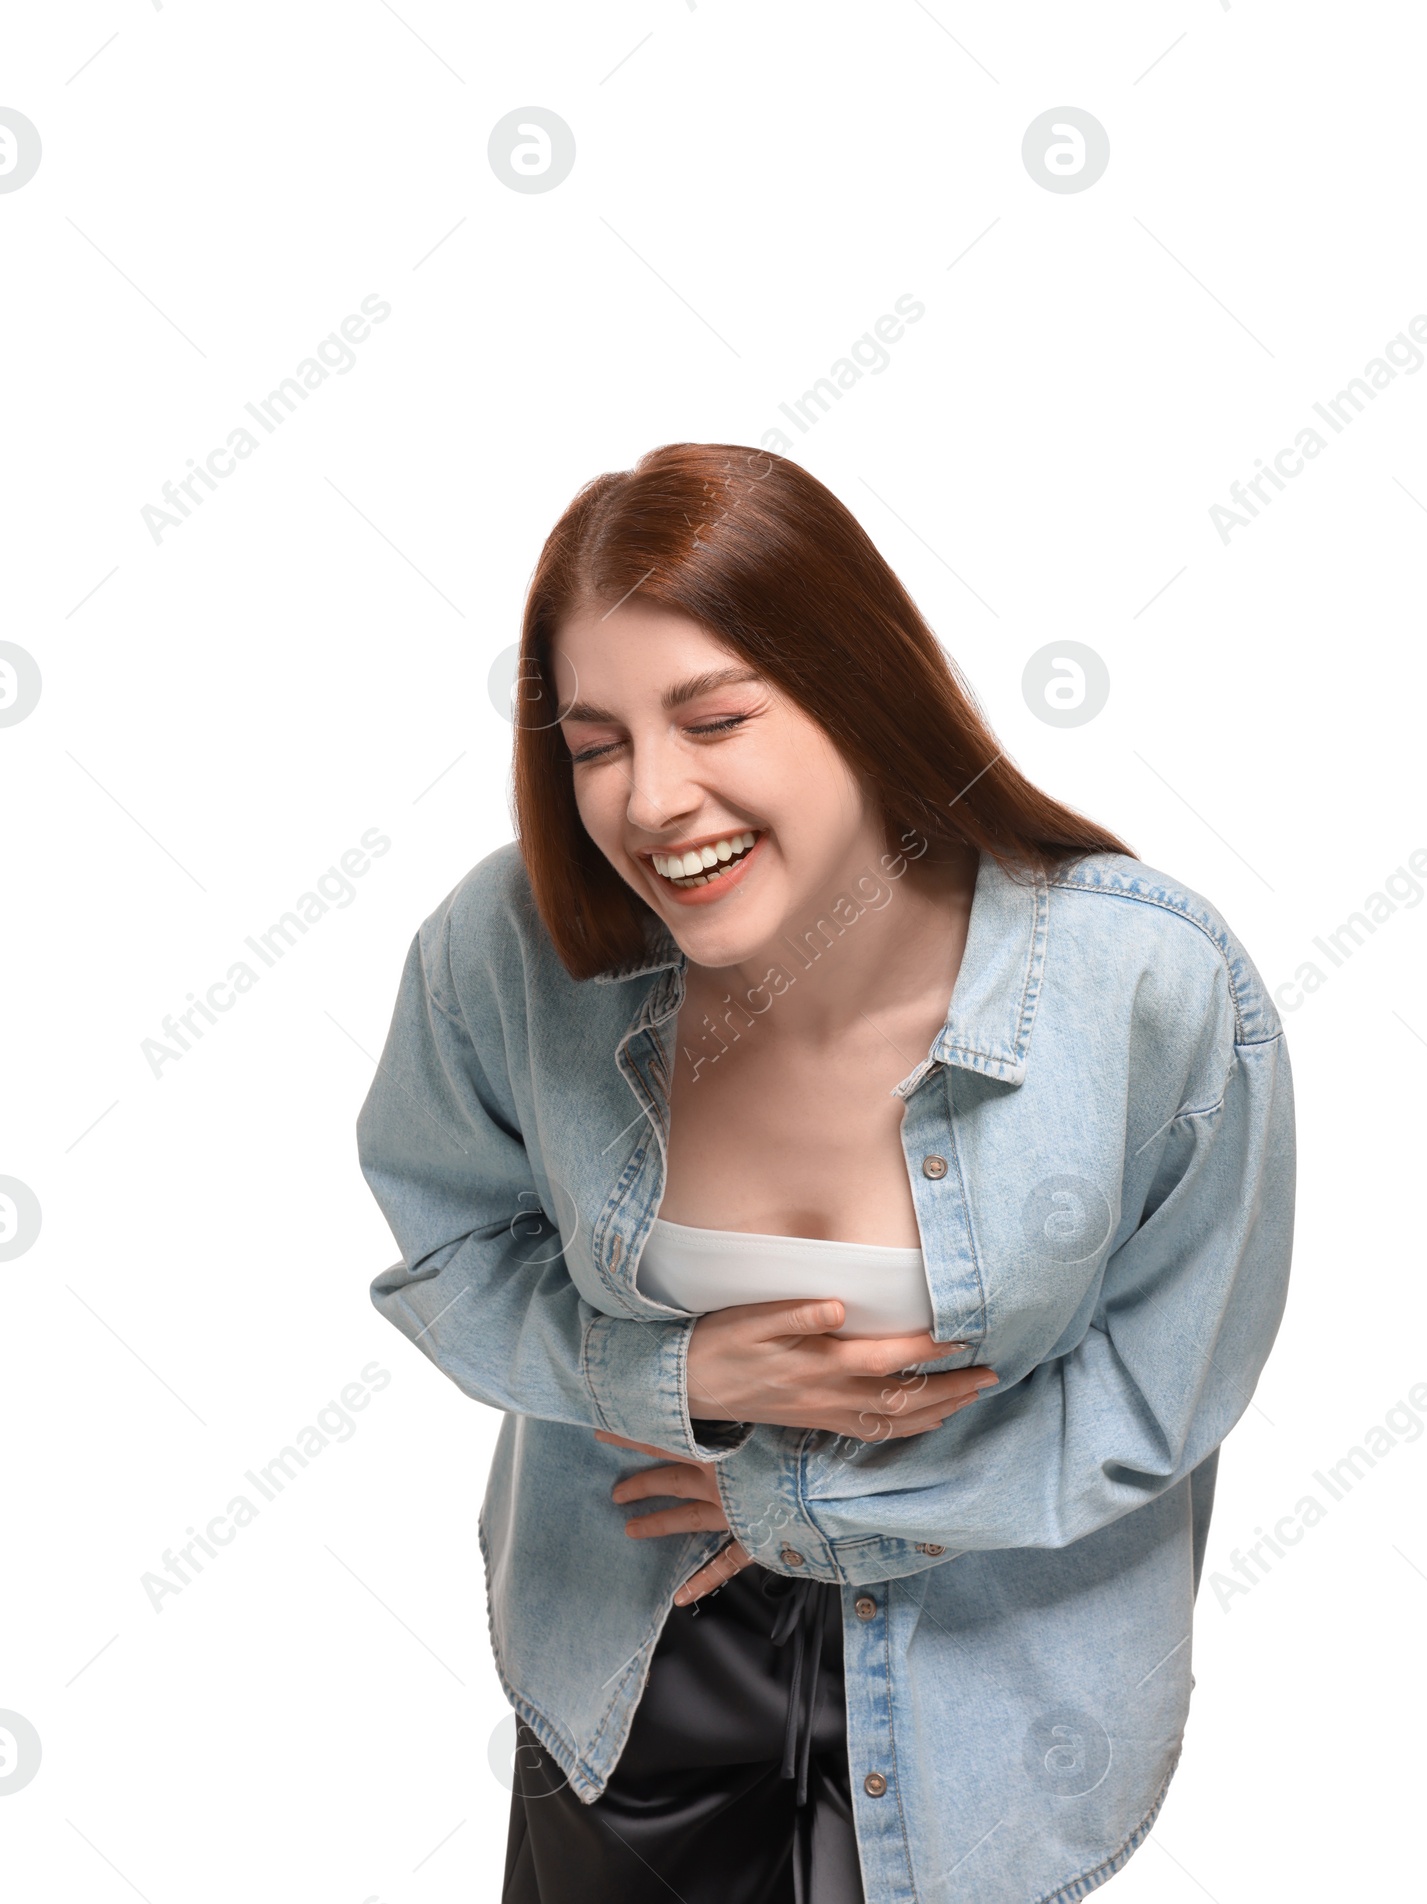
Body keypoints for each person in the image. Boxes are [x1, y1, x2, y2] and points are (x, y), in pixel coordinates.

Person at [354, 443, 1297, 1904]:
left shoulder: (1146, 987)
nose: (653, 800)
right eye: (595, 743)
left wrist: (804, 1513)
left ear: (862, 693)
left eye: (715, 718)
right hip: (631, 1647)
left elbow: (1164, 1389)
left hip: (988, 1692)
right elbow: (448, 1250)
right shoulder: (508, 950)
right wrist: (671, 1380)